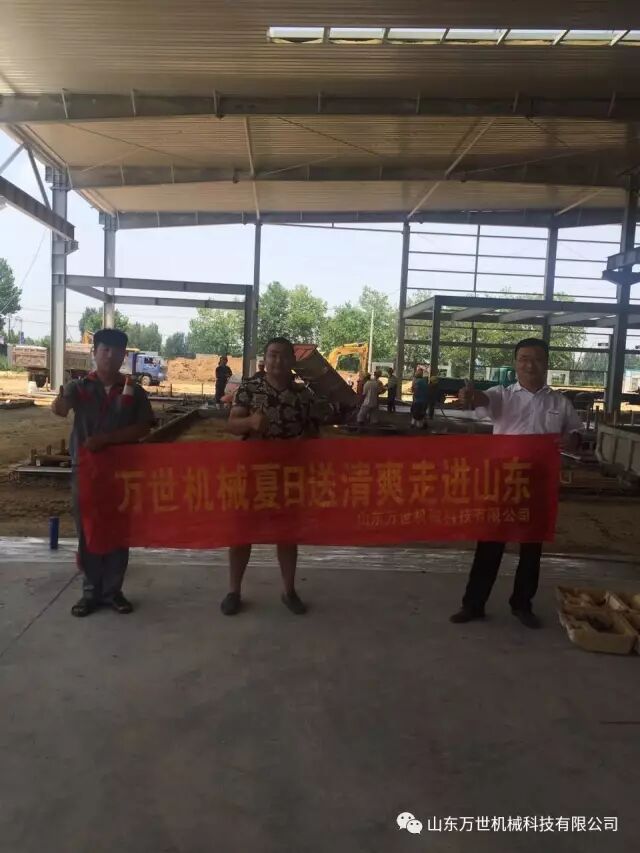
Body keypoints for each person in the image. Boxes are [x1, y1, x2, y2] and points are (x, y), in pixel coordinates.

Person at [450, 337, 583, 630]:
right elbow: (483, 401)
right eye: (523, 359)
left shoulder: (560, 403)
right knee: (490, 542)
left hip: (538, 484)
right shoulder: (502, 395)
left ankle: (522, 605)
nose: (529, 365)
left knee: (531, 547)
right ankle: (473, 604)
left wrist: (572, 440)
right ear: (515, 363)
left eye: (536, 359)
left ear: (546, 363)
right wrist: (471, 396)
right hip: (503, 480)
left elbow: (576, 434)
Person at [51, 328, 154, 617]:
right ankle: (90, 592)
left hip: (122, 474)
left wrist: (107, 440)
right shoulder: (80, 387)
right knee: (89, 530)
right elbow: (60, 409)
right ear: (94, 352)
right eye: (105, 349)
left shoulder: (133, 390)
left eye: (116, 351)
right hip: (86, 472)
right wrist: (59, 402)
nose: (110, 355)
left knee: (119, 530)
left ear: (123, 356)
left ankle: (113, 591)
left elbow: (143, 427)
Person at [221, 337, 317, 617]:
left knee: (287, 534)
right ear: (265, 358)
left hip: (289, 475)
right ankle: (233, 591)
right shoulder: (249, 388)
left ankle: (289, 591)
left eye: (284, 356)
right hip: (252, 473)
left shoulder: (303, 395)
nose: (278, 361)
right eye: (273, 355)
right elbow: (232, 425)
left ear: (292, 361)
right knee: (241, 532)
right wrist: (250, 422)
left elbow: (314, 433)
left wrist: (304, 443)